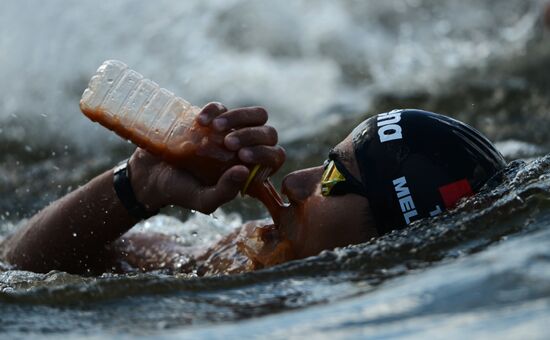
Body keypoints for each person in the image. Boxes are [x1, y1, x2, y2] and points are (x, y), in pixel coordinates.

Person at [0, 104, 506, 275]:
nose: (295, 178)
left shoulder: (276, 308)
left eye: (334, 177)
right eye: (323, 160)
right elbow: (15, 264)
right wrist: (138, 185)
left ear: (396, 239)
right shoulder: (236, 254)